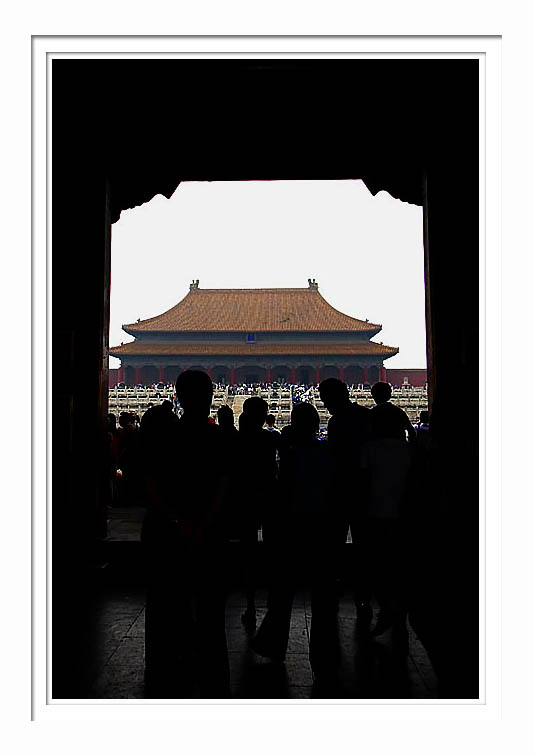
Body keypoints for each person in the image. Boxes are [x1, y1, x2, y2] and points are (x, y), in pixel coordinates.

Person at [141, 370, 231, 697]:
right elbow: (223, 487)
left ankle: (165, 677)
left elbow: (151, 485)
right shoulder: (221, 438)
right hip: (209, 535)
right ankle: (212, 681)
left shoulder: (164, 437)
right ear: (210, 398)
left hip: (167, 533)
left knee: (166, 609)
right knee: (211, 614)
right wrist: (202, 523)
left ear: (177, 396)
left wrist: (177, 522)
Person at [250, 403, 338, 682]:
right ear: (316, 425)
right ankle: (326, 657)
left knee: (283, 591)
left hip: (291, 527)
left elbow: (281, 490)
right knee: (323, 597)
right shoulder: (327, 453)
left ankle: (272, 644)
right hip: (321, 527)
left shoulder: (287, 455)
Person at [359, 381, 415, 654]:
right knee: (399, 562)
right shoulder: (407, 450)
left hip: (376, 510)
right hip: (402, 512)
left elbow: (364, 477)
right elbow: (413, 436)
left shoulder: (371, 448)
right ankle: (399, 613)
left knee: (378, 562)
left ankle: (383, 608)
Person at [318, 378, 372, 628]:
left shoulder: (337, 421)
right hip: (362, 488)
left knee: (336, 541)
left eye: (325, 398)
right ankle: (363, 594)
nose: (324, 403)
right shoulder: (364, 415)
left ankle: (336, 586)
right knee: (362, 542)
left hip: (343, 488)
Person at [235, 396, 278, 630]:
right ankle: (272, 599)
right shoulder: (270, 439)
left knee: (248, 549)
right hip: (268, 497)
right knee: (271, 548)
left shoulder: (237, 440)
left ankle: (250, 603)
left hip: (245, 499)